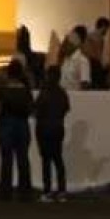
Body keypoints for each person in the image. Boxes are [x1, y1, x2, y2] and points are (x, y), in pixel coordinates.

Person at [0, 60, 35, 200]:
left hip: (6, 124)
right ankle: (25, 192)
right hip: (22, 126)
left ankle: (5, 192)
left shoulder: (2, 89)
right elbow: (31, 110)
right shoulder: (26, 90)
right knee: (23, 158)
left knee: (6, 159)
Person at [33, 64, 70, 202]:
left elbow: (36, 109)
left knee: (46, 161)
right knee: (58, 160)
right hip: (58, 128)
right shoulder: (62, 93)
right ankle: (62, 190)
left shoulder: (44, 92)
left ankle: (47, 190)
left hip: (44, 129)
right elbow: (65, 109)